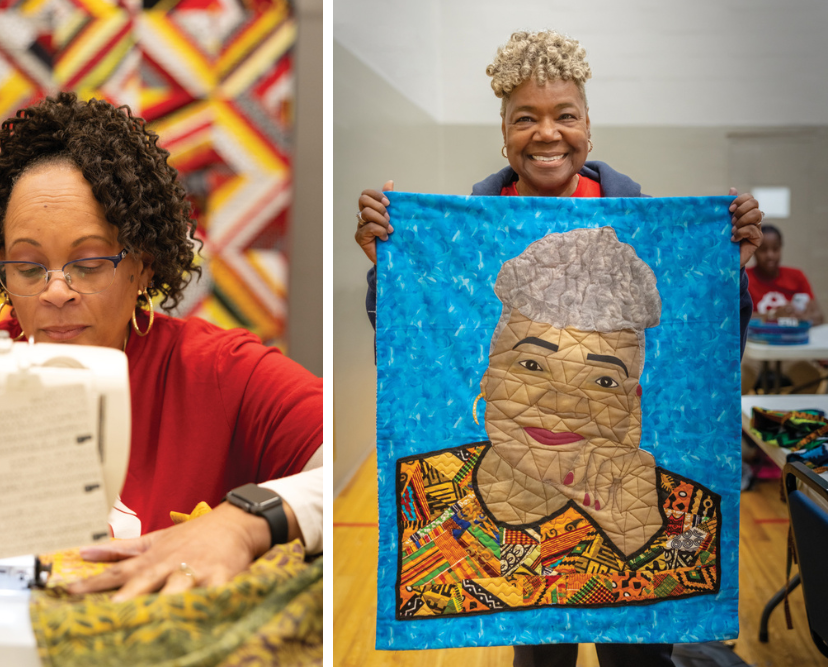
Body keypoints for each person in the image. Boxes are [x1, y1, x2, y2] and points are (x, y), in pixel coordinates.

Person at [353, 30, 762, 667]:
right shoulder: (464, 236)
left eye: (565, 115)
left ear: (588, 127)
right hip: (509, 522)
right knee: (542, 656)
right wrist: (390, 269)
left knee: (639, 657)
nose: (547, 133)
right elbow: (415, 354)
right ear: (504, 132)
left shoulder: (643, 223)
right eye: (526, 118)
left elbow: (703, 358)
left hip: (632, 523)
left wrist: (726, 272)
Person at [0, 92, 323, 601]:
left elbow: (355, 469)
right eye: (28, 268)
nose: (55, 291)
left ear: (142, 266)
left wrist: (240, 524)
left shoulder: (223, 374)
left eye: (89, 264)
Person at [397, 228, 720, 620]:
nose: (562, 404)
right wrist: (385, 259)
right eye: (531, 365)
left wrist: (641, 536)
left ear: (633, 406)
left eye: (603, 381)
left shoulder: (689, 514)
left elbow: (690, 610)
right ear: (488, 377)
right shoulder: (419, 493)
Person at [741, 224, 824, 393]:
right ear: (754, 250)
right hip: (754, 349)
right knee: (738, 378)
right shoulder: (744, 278)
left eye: (775, 249)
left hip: (790, 350)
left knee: (811, 377)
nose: (770, 255)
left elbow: (819, 317)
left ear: (781, 248)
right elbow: (736, 316)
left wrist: (803, 318)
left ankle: (793, 410)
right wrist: (772, 315)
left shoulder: (796, 276)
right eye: (763, 250)